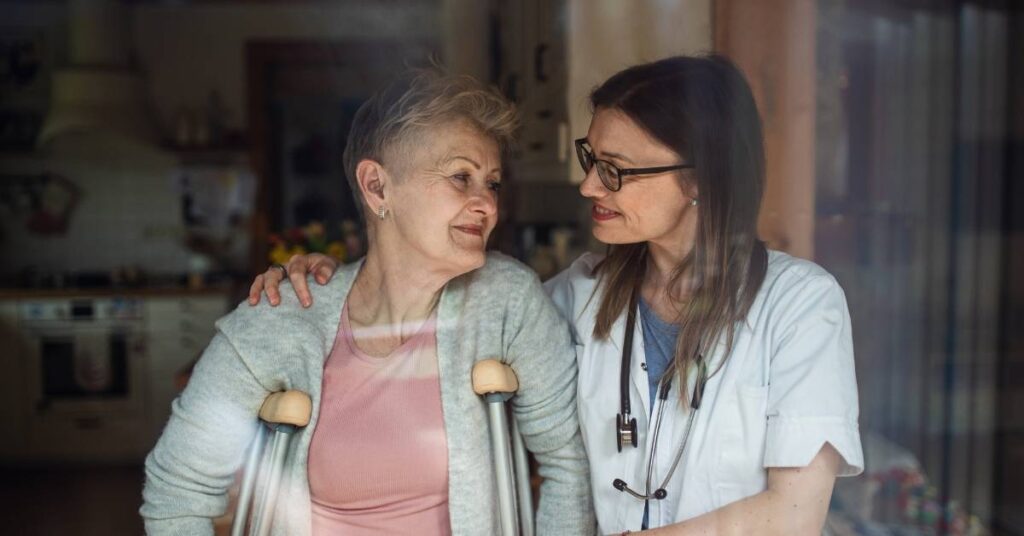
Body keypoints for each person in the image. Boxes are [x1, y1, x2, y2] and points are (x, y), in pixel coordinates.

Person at [253, 54, 863, 535]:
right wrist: (334, 281)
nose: (588, 184)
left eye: (615, 169)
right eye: (589, 158)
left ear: (699, 180)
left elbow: (793, 515)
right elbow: (427, 315)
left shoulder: (800, 306)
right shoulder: (579, 295)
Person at [142, 70, 595, 535]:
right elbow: (179, 488)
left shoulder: (508, 301)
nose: (487, 204)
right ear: (377, 187)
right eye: (461, 177)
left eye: (492, 183)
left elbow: (568, 463)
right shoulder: (281, 316)